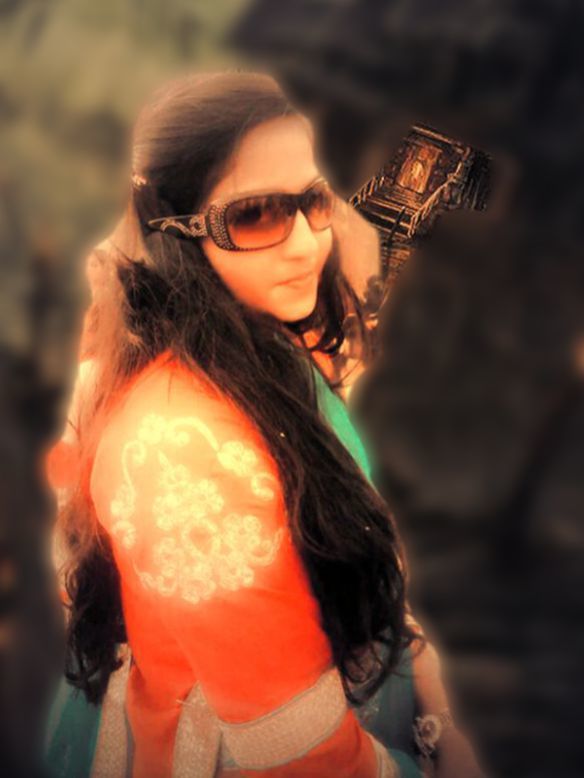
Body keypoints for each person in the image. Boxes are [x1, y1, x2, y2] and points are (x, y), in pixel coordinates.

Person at [45, 71, 479, 778]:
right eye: (256, 215)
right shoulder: (179, 448)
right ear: (175, 231)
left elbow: (354, 557)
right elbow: (296, 753)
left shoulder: (261, 344)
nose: (308, 244)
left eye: (313, 202)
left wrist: (435, 715)